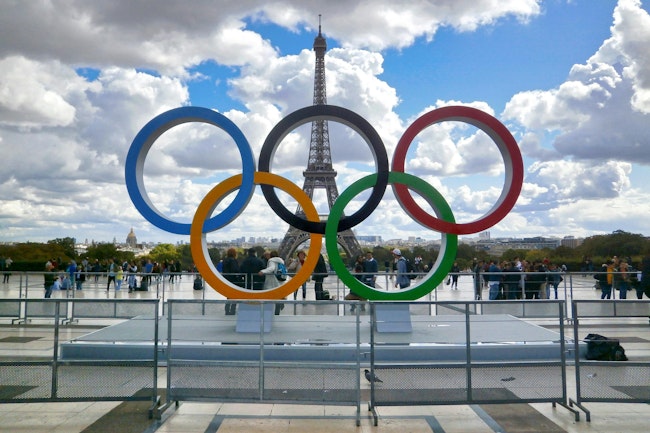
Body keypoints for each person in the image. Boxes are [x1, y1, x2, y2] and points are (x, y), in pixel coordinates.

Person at [258, 250, 285, 314]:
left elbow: (272, 268)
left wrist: (263, 271)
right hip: (279, 281)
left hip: (271, 281)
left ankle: (267, 313)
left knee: (267, 297)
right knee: (277, 297)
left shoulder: (271, 261)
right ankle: (277, 313)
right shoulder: (280, 261)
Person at [222, 247, 242, 315]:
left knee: (228, 297)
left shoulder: (225, 260)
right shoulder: (233, 260)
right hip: (234, 280)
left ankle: (227, 310)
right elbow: (235, 270)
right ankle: (232, 310)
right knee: (234, 296)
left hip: (227, 280)